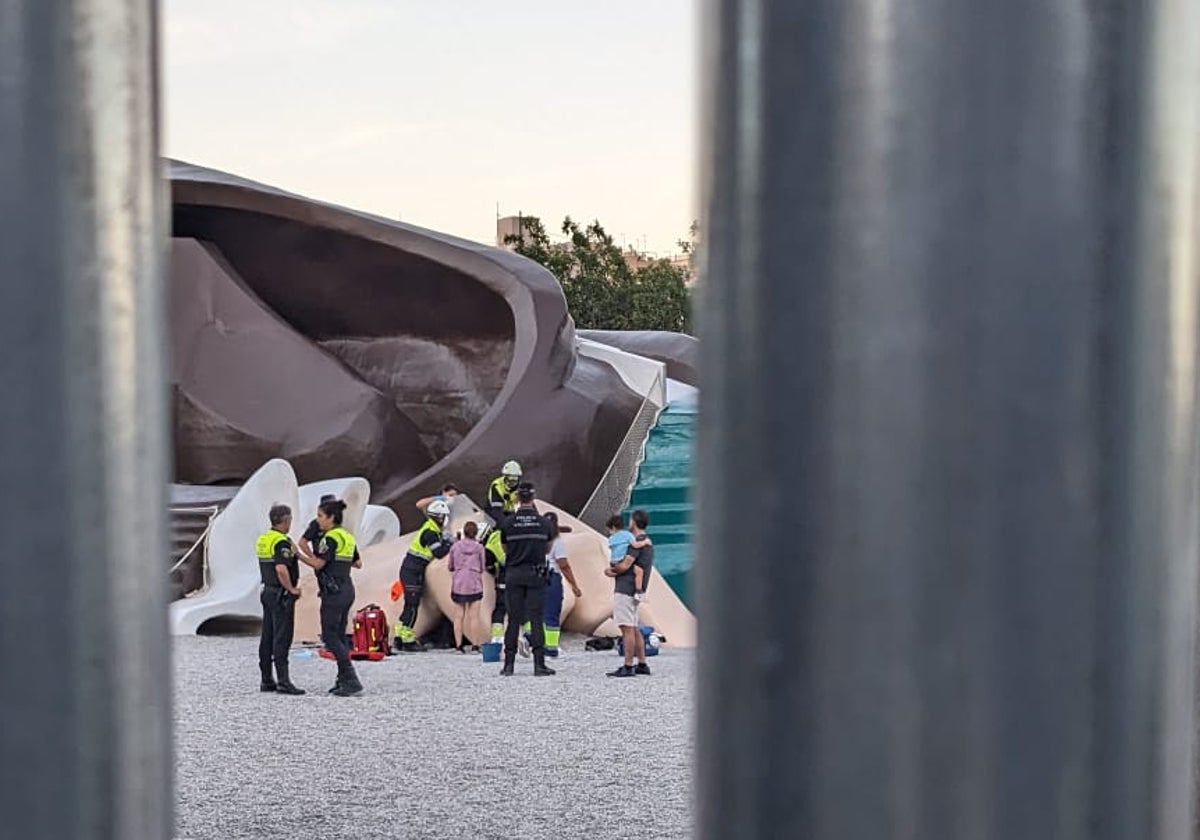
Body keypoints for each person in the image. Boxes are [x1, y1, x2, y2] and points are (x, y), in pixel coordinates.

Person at [498, 482, 555, 676]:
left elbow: (504, 548)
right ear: (533, 497)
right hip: (535, 573)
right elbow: (548, 548)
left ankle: (508, 665)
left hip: (514, 572)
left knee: (513, 619)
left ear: (517, 498)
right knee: (536, 619)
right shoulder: (544, 523)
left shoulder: (508, 523)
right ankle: (539, 664)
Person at [309, 498, 364, 696]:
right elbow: (358, 563)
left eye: (320, 516)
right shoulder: (347, 537)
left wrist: (300, 555)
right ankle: (342, 679)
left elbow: (319, 564)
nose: (318, 520)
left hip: (333, 591)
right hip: (347, 588)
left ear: (331, 517)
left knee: (330, 636)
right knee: (339, 636)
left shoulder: (330, 538)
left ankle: (351, 679)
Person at [256, 504, 305, 695]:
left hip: (267, 591)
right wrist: (291, 589)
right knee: (282, 637)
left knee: (267, 636)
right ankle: (284, 681)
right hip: (281, 594)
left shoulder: (265, 539)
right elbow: (281, 569)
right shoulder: (281, 542)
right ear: (286, 520)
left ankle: (267, 679)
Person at [393, 498, 453, 652]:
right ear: (439, 517)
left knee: (409, 605)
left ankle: (399, 636)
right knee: (412, 606)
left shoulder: (431, 529)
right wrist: (449, 543)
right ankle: (407, 639)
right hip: (413, 571)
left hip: (411, 569)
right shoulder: (430, 532)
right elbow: (439, 553)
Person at [605, 510, 654, 677]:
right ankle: (642, 662)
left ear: (634, 522)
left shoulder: (636, 542)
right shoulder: (647, 542)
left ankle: (628, 665)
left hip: (625, 588)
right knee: (634, 628)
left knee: (626, 629)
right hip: (636, 590)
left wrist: (612, 570)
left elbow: (625, 565)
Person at [540, 511, 582, 658]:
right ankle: (551, 647)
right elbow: (563, 565)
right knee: (552, 613)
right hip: (552, 577)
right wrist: (574, 585)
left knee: (538, 612)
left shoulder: (537, 540)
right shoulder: (557, 542)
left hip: (536, 578)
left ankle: (536, 642)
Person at [447, 520, 485, 652]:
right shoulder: (479, 548)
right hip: (474, 583)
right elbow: (482, 567)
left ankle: (459, 645)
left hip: (459, 583)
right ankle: (475, 644)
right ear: (476, 533)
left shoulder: (455, 547)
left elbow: (450, 566)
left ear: (464, 532)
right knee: (474, 616)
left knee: (459, 616)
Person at [484, 522, 508, 641]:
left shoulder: (493, 539)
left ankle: (497, 637)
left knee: (500, 608)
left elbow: (488, 562)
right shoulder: (517, 534)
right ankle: (529, 637)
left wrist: (493, 571)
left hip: (503, 578)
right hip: (520, 576)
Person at [298, 493, 336, 566]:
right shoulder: (316, 524)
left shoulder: (339, 523)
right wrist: (313, 557)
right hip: (323, 565)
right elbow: (302, 542)